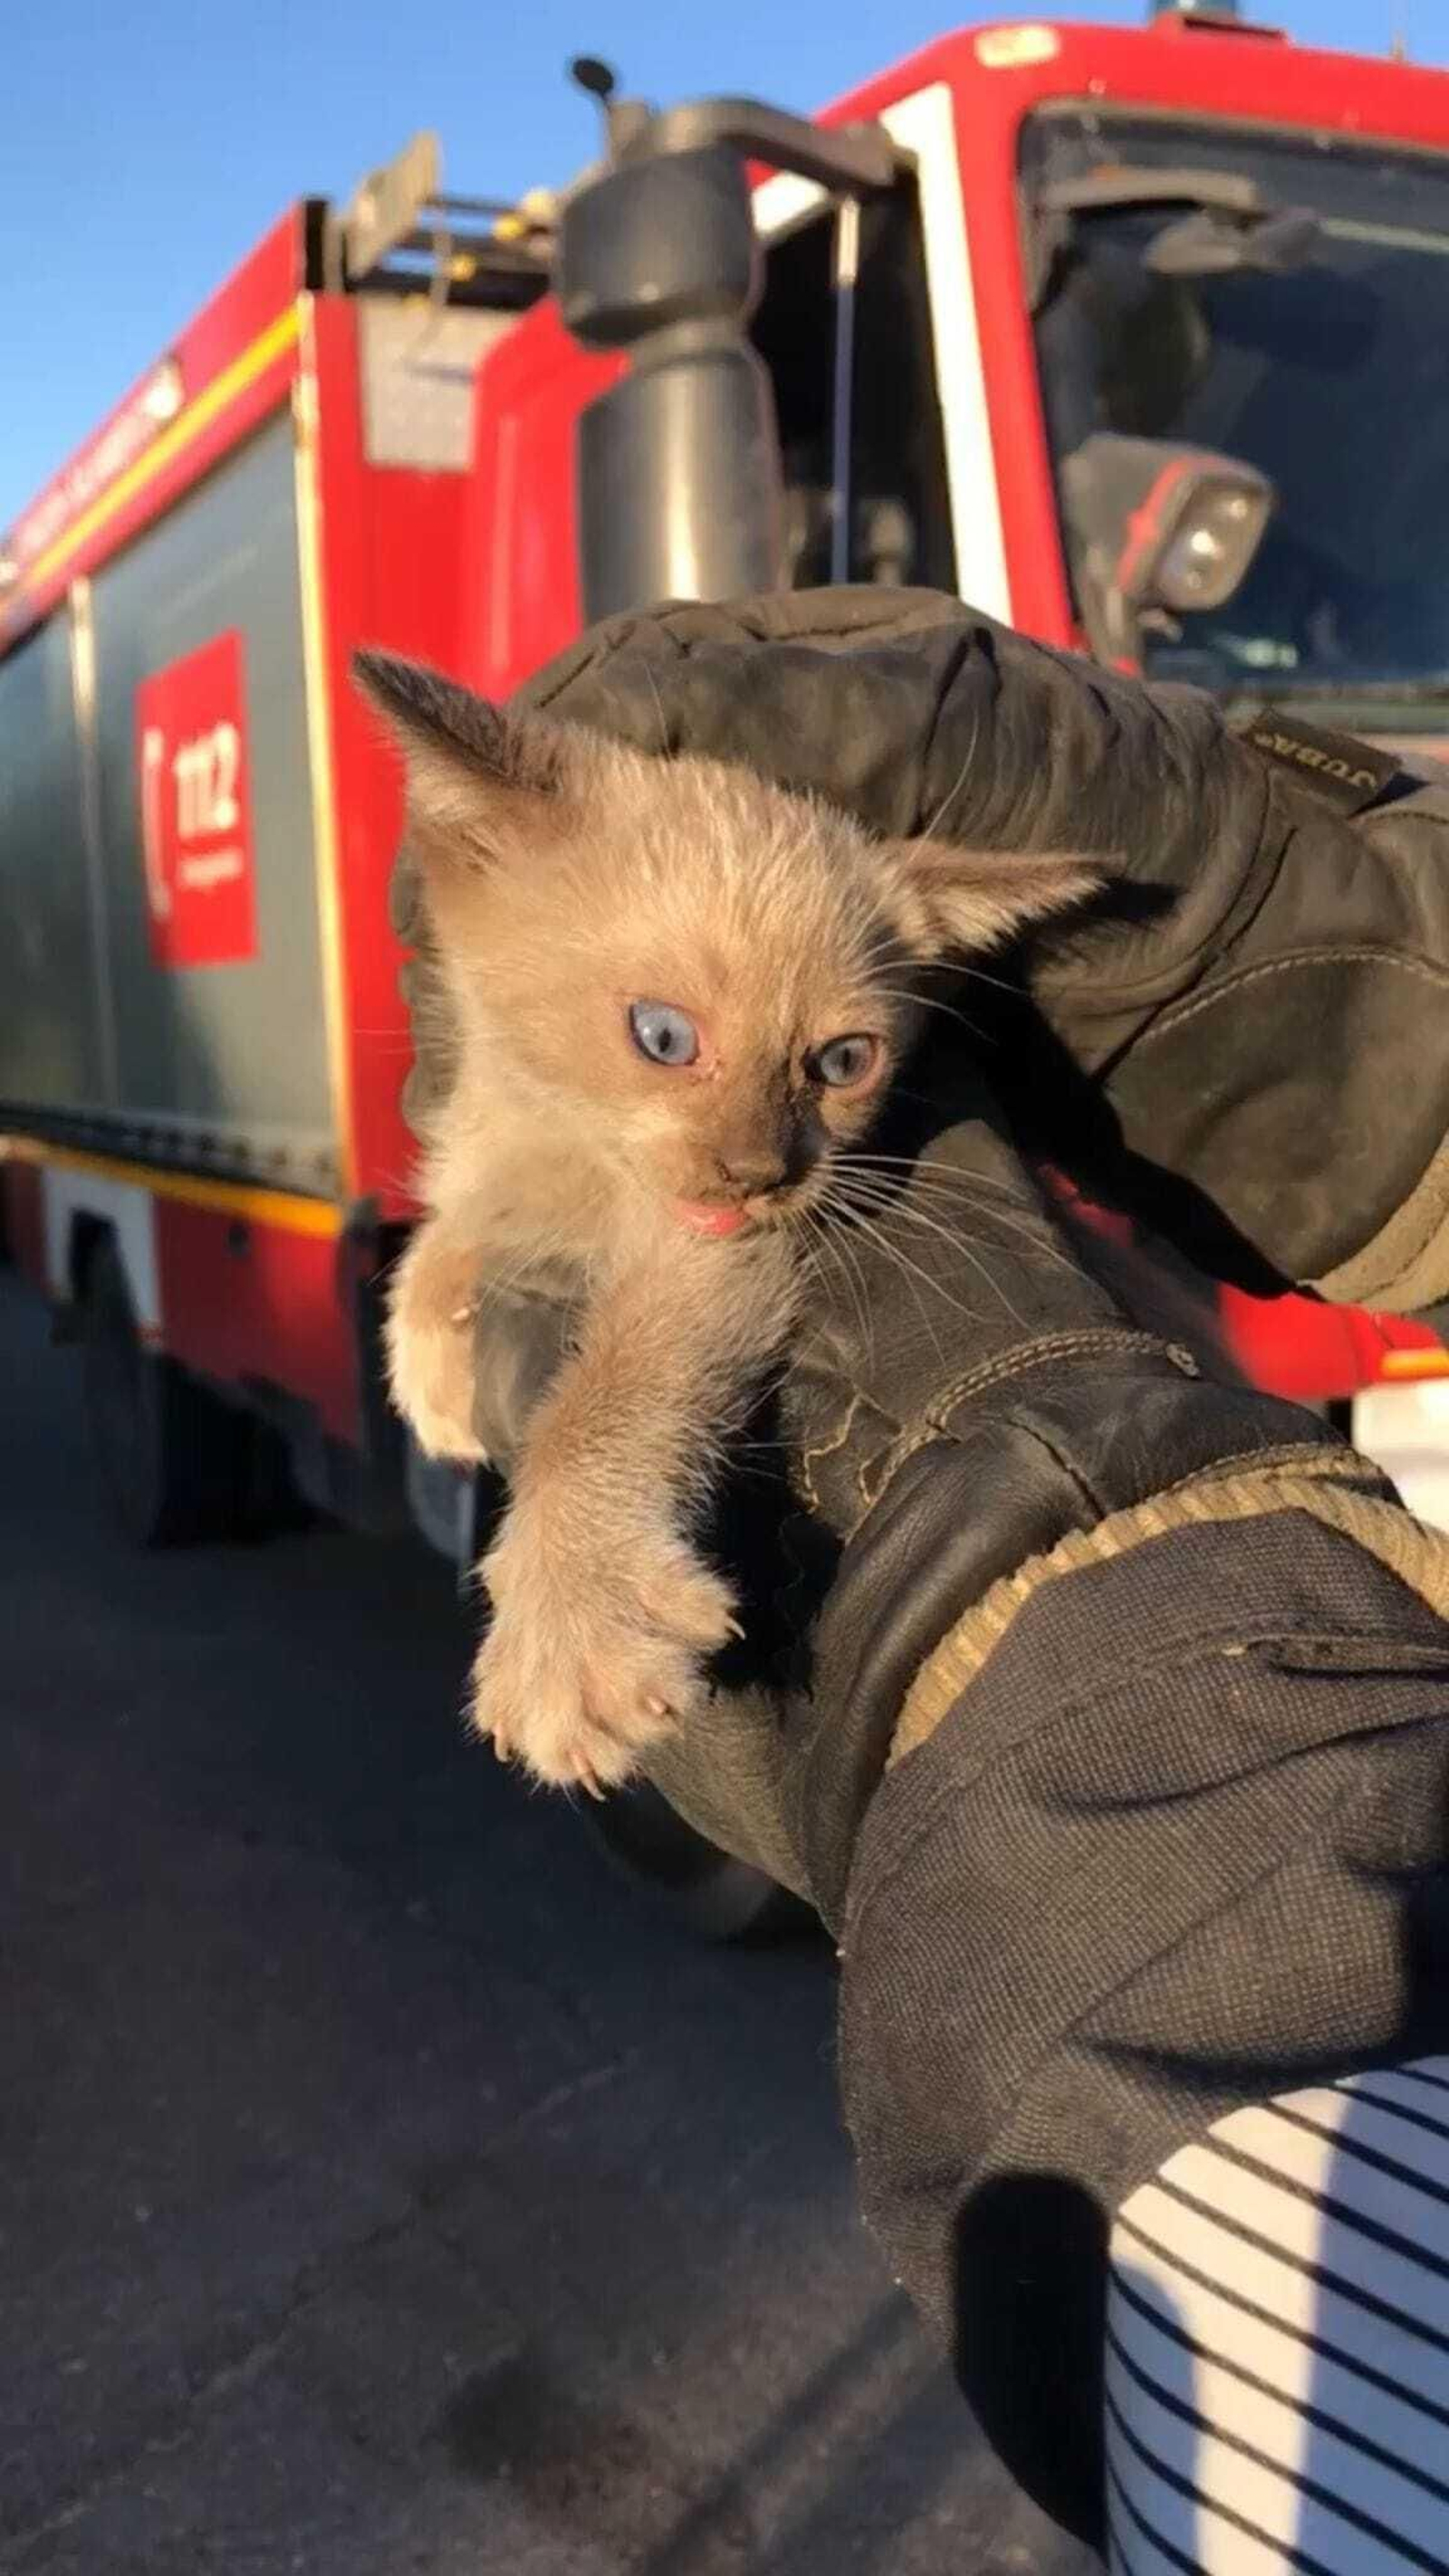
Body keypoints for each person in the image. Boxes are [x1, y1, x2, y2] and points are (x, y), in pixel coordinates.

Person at [393, 589, 1449, 2571]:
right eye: (665, 1039)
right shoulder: (532, 860)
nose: (761, 1139)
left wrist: (586, 1502)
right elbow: (533, 1199)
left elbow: (695, 1262)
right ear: (468, 843)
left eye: (840, 1063)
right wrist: (449, 1268)